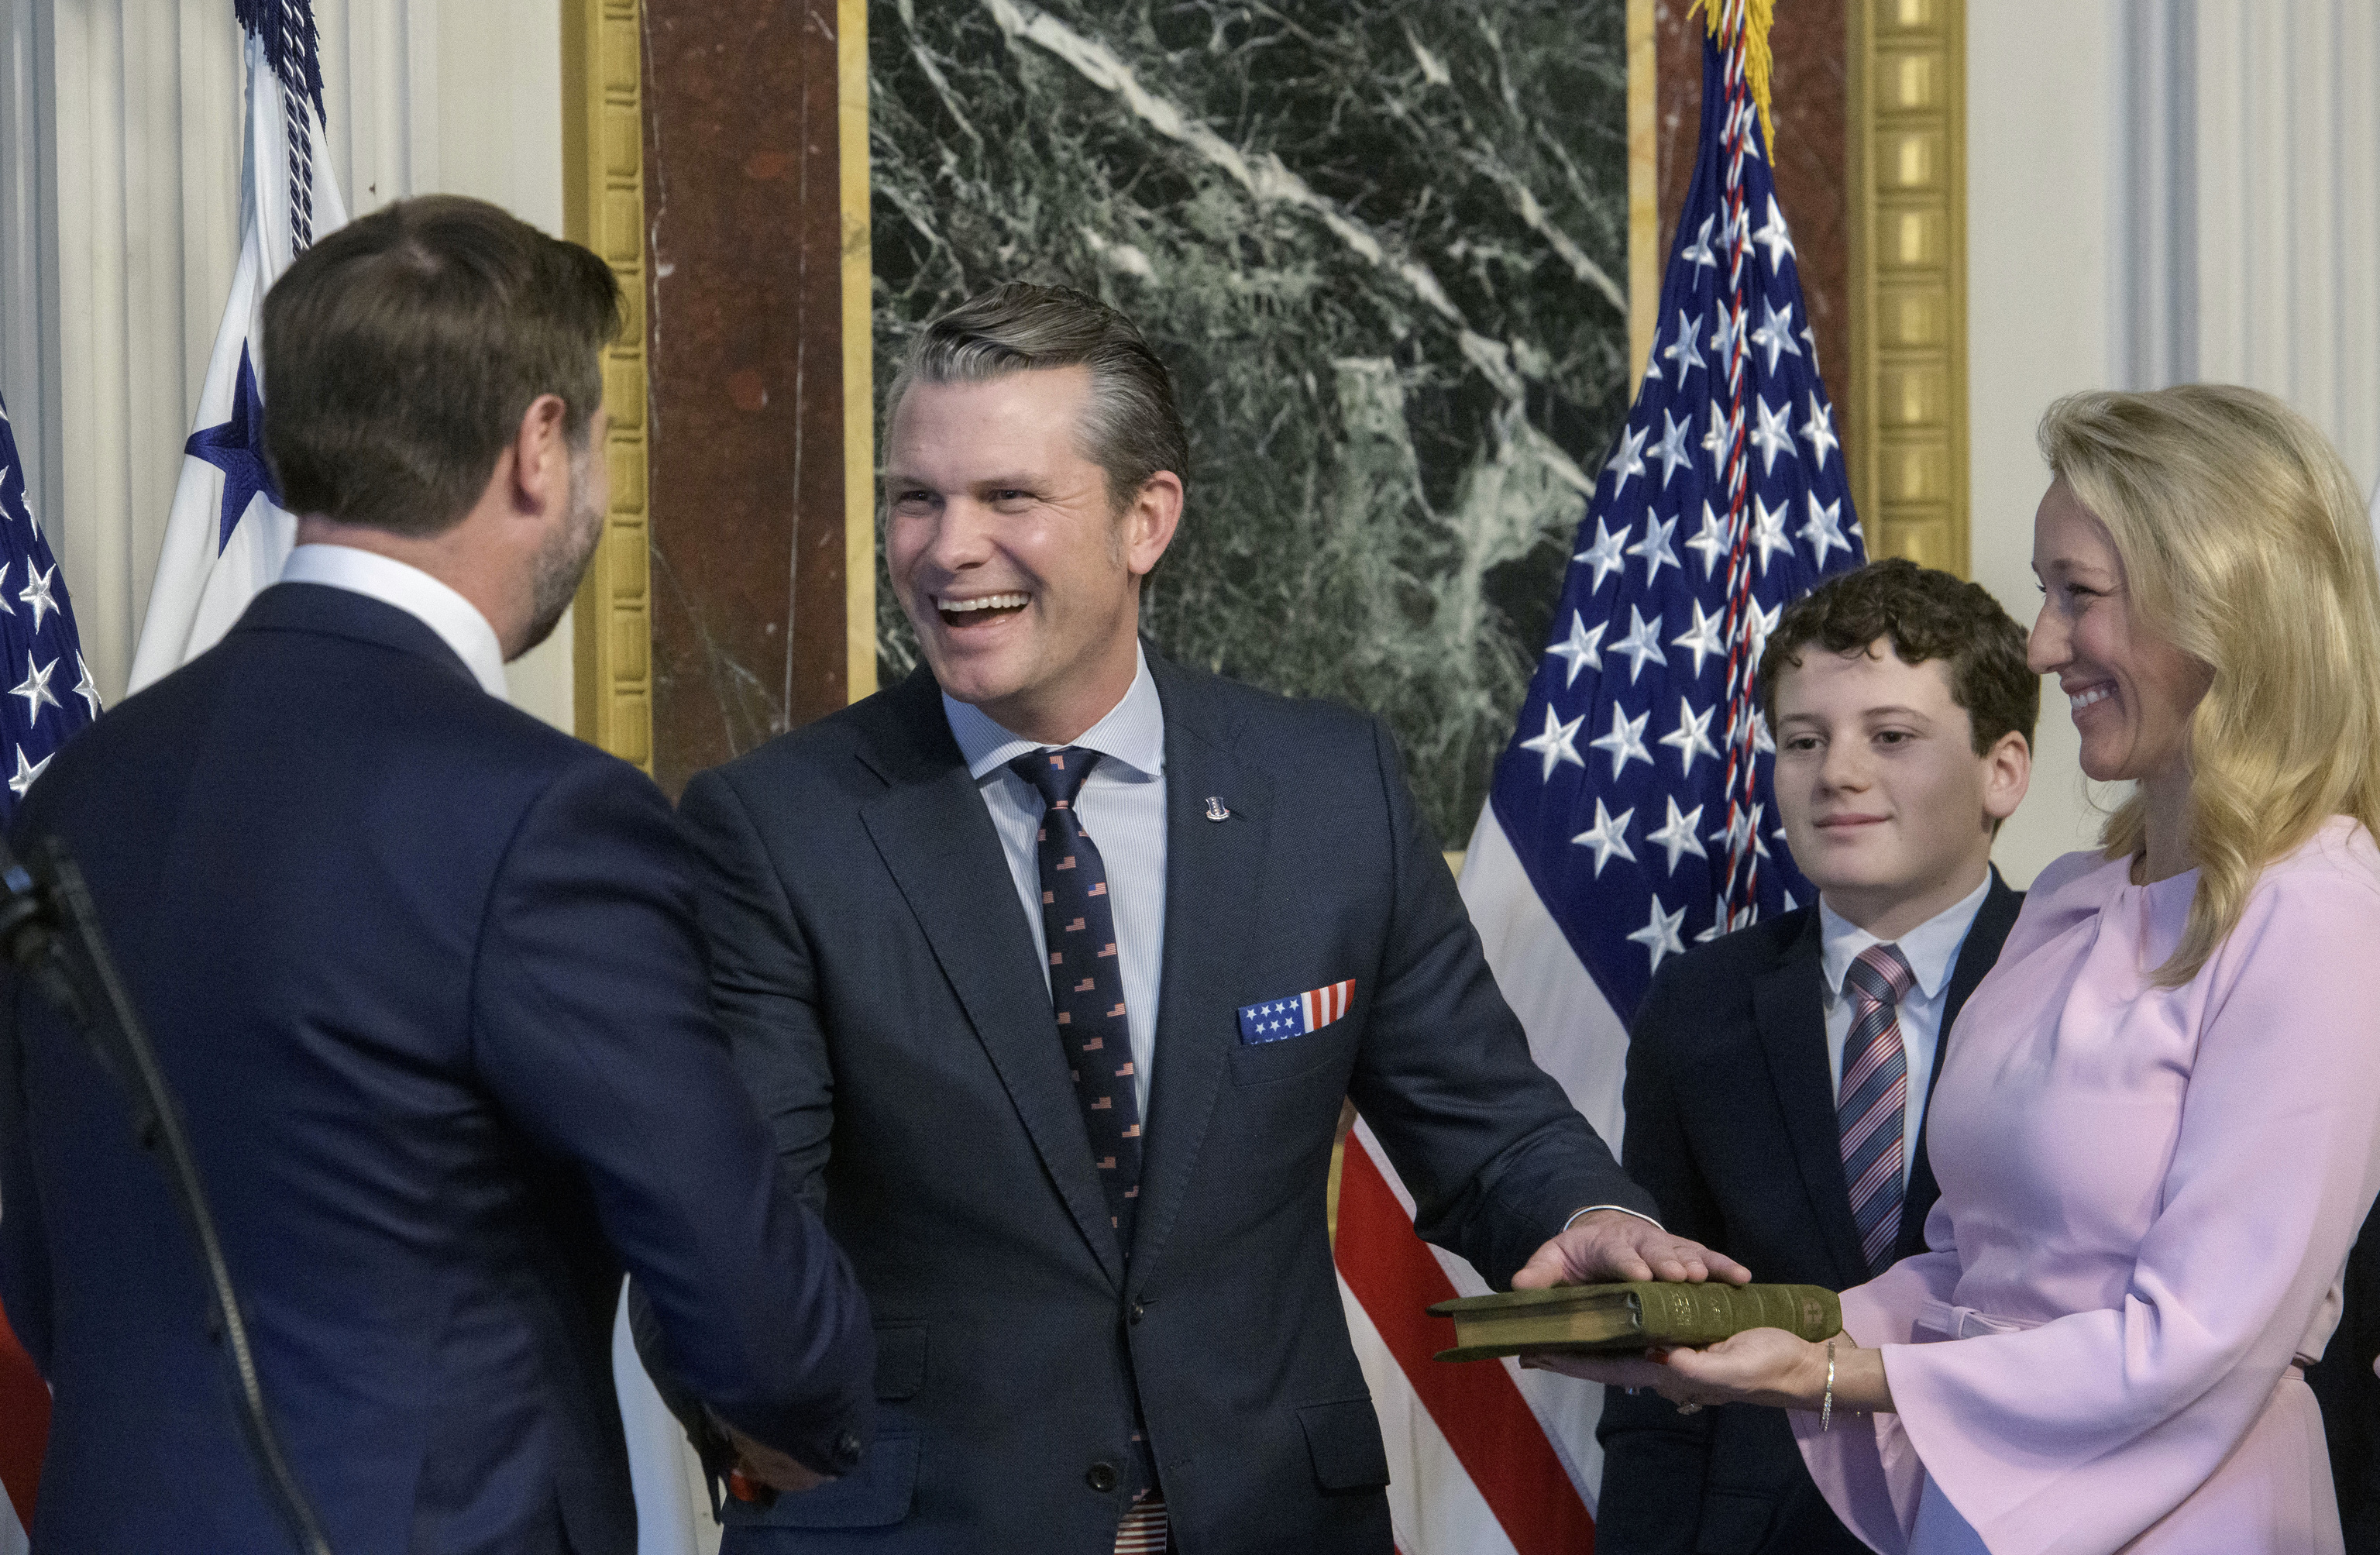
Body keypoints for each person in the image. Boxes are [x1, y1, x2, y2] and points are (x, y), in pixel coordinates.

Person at [669, 281, 1744, 1553]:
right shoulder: (776, 827)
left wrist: (1589, 1221)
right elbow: (731, 1226)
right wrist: (751, 1424)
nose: (945, 546)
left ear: (1145, 519)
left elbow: (1485, 1121)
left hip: (1280, 1521)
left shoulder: (1328, 789)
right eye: (917, 498)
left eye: (1008, 497)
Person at [0, 195, 876, 1553]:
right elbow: (756, 1313)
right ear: (538, 445)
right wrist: (810, 1415)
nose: (596, 482)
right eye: (599, 439)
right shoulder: (546, 818)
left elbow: (48, 1270)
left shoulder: (76, 793)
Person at [1539, 384, 2380, 1553]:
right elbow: (1971, 1270)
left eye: (2076, 595)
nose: (2042, 644)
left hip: (2187, 1516)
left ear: (2220, 600)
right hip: (1975, 1507)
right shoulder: (2082, 899)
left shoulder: (2322, 907)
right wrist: (1771, 1335)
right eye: (2046, 594)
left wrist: (1844, 1381)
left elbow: (2205, 1338)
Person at [1597, 557, 2034, 1555]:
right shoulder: (1700, 1006)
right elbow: (1657, 1355)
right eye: (1804, 741)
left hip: (2016, 1515)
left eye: (1891, 737)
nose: (1837, 773)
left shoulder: (2084, 981)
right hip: (1763, 1531)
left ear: (2002, 770)